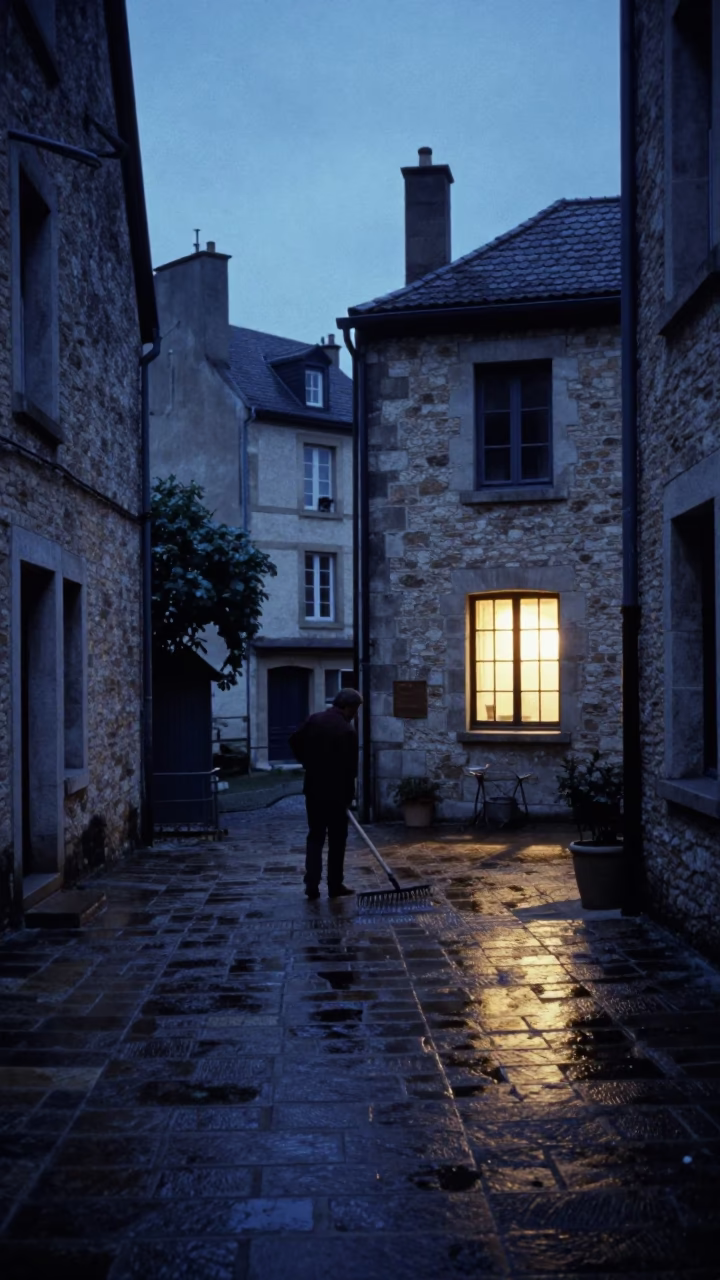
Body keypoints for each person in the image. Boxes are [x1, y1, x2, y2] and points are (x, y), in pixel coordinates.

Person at [289, 688, 363, 899]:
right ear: (347, 707)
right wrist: (350, 797)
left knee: (315, 836)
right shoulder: (346, 731)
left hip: (313, 788)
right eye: (355, 709)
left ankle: (311, 884)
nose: (355, 714)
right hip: (337, 794)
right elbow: (350, 769)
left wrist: (306, 761)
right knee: (337, 839)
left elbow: (294, 740)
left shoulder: (314, 720)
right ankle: (334, 885)